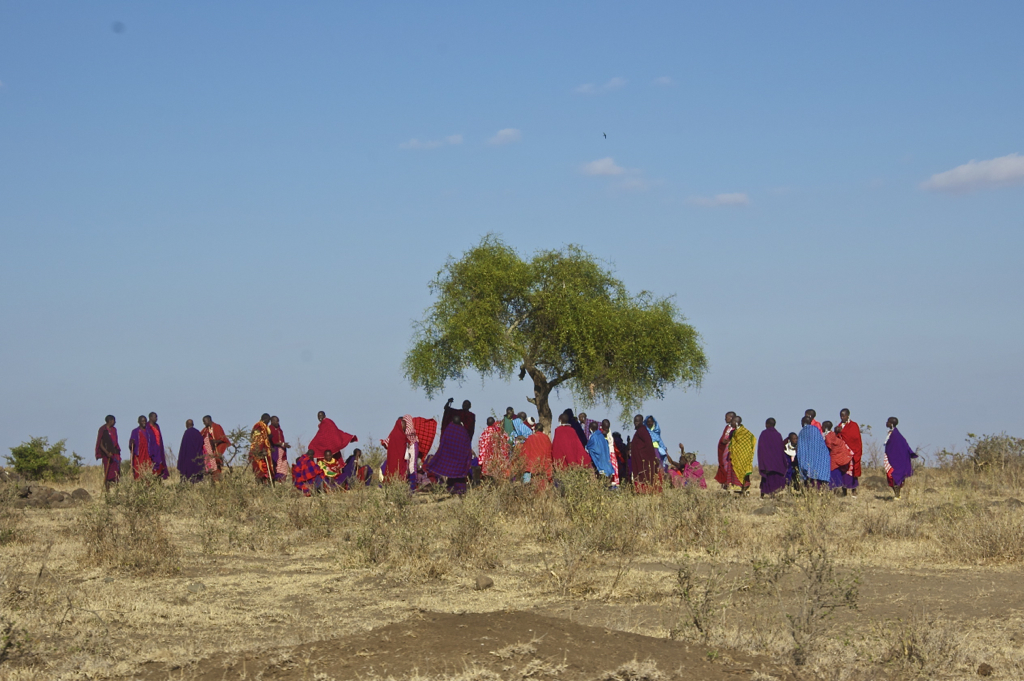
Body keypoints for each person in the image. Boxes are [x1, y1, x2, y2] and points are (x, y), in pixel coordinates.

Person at [426, 413, 474, 494]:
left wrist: (443, 455)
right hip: (460, 460)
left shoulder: (449, 429)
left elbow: (443, 444)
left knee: (452, 475)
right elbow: (467, 446)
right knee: (459, 475)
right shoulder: (463, 431)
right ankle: (460, 490)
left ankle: (451, 489)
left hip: (450, 458)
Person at [884, 417, 917, 499]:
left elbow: (901, 447)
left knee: (894, 475)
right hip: (892, 458)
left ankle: (897, 495)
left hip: (896, 460)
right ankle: (896, 494)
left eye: (888, 422)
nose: (886, 423)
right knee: (890, 475)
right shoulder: (892, 433)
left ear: (891, 424)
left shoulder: (896, 435)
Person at [630, 414, 662, 493]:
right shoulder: (640, 431)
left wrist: (644, 456)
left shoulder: (642, 431)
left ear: (641, 421)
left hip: (643, 460)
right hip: (639, 459)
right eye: (635, 421)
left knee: (644, 477)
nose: (636, 423)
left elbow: (648, 444)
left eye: (637, 421)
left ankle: (644, 492)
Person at [757, 418, 788, 497]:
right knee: (775, 478)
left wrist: (762, 461)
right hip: (777, 462)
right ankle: (774, 493)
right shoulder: (778, 435)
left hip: (767, 462)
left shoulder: (764, 434)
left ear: (767, 424)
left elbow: (761, 448)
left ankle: (763, 495)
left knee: (767, 478)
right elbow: (781, 449)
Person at [797, 416, 831, 488]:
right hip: (820, 459)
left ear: (804, 422)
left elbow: (801, 449)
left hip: (808, 461)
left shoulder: (802, 432)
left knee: (809, 481)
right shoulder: (816, 430)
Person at [823, 421, 856, 494]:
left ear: (825, 427)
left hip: (834, 456)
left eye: (823, 426)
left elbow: (829, 445)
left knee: (833, 472)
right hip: (837, 456)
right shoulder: (832, 434)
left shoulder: (828, 436)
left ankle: (833, 489)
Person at [838, 409, 863, 496]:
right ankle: (844, 491)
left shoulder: (853, 426)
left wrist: (854, 452)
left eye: (843, 415)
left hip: (852, 453)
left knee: (853, 472)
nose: (842, 417)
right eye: (841, 415)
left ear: (848, 415)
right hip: (843, 454)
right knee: (843, 472)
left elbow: (856, 439)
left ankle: (854, 490)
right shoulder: (839, 426)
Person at [729, 415, 756, 494]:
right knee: (735, 471)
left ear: (736, 423)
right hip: (735, 456)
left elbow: (753, 440)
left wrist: (747, 453)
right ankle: (737, 488)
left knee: (744, 473)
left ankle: (745, 489)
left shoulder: (745, 432)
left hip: (744, 456)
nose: (731, 423)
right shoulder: (733, 432)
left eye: (733, 421)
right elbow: (733, 443)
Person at [200, 416, 231, 484]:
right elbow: (200, 436)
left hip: (216, 449)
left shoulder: (217, 427)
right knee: (211, 467)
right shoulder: (205, 430)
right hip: (209, 453)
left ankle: (217, 480)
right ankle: (214, 481)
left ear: (208, 420)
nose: (204, 423)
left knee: (217, 465)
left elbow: (222, 438)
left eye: (204, 421)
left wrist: (215, 441)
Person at [521, 423, 553, 487]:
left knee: (528, 487)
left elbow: (524, 451)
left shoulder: (530, 438)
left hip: (531, 465)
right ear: (542, 430)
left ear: (535, 429)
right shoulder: (546, 438)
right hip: (543, 464)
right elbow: (549, 452)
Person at [95, 415, 121, 490]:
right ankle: (107, 491)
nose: (115, 422)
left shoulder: (114, 429)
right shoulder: (103, 430)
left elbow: (115, 442)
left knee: (116, 473)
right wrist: (107, 453)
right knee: (108, 473)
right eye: (114, 420)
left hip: (115, 454)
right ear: (110, 421)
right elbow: (100, 443)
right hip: (107, 455)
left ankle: (117, 490)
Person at [714, 411, 737, 490]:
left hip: (728, 451)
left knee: (728, 466)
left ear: (731, 417)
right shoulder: (727, 427)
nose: (725, 419)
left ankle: (729, 484)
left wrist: (726, 441)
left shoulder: (734, 429)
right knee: (723, 466)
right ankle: (725, 484)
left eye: (726, 417)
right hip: (722, 450)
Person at [249, 414, 274, 484]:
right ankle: (260, 485)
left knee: (265, 468)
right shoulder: (260, 426)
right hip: (258, 450)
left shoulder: (263, 426)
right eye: (268, 420)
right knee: (260, 468)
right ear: (266, 419)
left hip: (263, 449)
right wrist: (261, 449)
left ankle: (264, 484)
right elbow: (259, 439)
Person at [128, 415, 154, 480]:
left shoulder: (149, 432)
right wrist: (131, 443)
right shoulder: (135, 431)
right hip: (139, 454)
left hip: (147, 454)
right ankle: (139, 486)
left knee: (148, 470)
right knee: (138, 470)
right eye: (142, 421)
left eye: (145, 421)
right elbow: (131, 444)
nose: (144, 422)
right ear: (139, 422)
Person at [147, 412, 170, 479]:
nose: (156, 419)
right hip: (152, 449)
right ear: (151, 417)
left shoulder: (157, 426)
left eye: (156, 417)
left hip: (158, 449)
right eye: (155, 417)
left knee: (160, 465)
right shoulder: (147, 427)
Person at [269, 416, 291, 483]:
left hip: (282, 451)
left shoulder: (279, 429)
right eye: (276, 421)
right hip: (275, 450)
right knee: (276, 465)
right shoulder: (270, 429)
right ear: (272, 421)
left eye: (278, 421)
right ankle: (276, 480)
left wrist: (283, 444)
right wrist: (282, 444)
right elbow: (273, 441)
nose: (277, 422)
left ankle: (281, 481)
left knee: (283, 465)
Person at [601, 419, 620, 487]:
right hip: (606, 455)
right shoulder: (600, 434)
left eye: (608, 427)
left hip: (612, 454)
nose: (607, 429)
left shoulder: (609, 433)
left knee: (614, 471)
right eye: (605, 427)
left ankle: (615, 485)